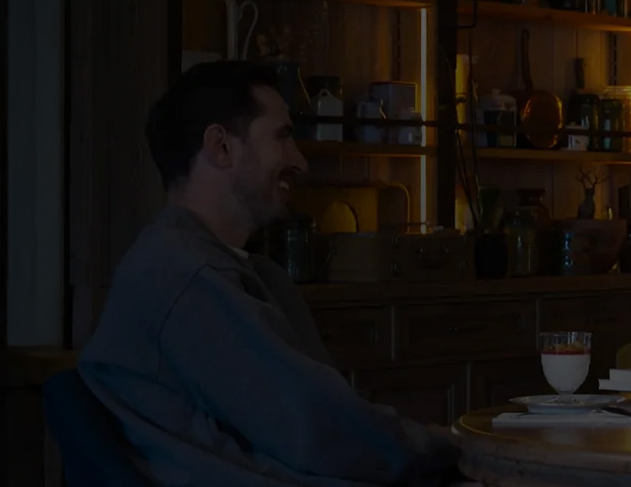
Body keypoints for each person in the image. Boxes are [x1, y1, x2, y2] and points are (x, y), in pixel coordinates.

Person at [79, 61, 459, 486]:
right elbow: (318, 427)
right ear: (222, 147)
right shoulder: (185, 276)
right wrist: (446, 446)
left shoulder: (219, 266)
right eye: (282, 136)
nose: (300, 161)